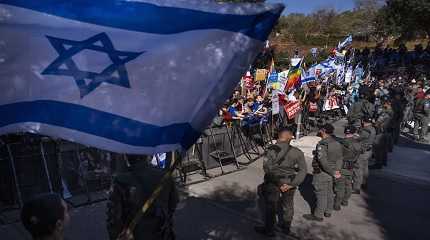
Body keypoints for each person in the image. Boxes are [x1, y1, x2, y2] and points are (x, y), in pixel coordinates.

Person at [107, 155, 179, 240]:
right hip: (162, 234)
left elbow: (114, 220)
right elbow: (173, 203)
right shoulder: (164, 176)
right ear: (147, 156)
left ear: (126, 156)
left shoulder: (120, 181)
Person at [255, 127, 307, 237]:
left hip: (273, 182)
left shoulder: (270, 149)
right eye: (292, 136)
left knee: (271, 206)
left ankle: (269, 230)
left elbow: (267, 169)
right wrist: (291, 184)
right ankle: (286, 227)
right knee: (288, 205)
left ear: (280, 136)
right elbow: (303, 171)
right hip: (289, 182)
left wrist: (279, 184)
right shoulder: (297, 152)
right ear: (289, 137)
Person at [304, 124, 343, 222]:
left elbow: (323, 162)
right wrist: (336, 170)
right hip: (332, 171)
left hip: (322, 172)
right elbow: (340, 158)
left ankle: (318, 215)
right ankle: (328, 211)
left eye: (321, 130)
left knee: (321, 194)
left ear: (324, 131)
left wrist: (332, 172)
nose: (319, 131)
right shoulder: (336, 143)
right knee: (329, 192)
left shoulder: (322, 145)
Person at [333, 126, 362, 209]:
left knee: (340, 187)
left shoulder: (343, 143)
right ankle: (345, 201)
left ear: (345, 132)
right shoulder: (357, 143)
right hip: (351, 166)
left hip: (342, 166)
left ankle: (337, 204)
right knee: (348, 185)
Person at [354, 117, 376, 193]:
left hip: (363, 151)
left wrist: (355, 134)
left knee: (358, 169)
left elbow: (358, 138)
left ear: (363, 121)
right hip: (369, 151)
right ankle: (364, 183)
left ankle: (357, 187)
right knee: (365, 168)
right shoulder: (372, 129)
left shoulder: (365, 130)